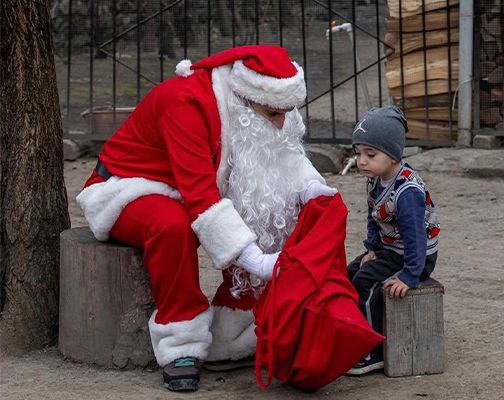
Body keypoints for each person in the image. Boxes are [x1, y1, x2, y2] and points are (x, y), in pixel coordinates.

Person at [76, 45, 336, 392]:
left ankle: (238, 320)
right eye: (274, 113)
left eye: (286, 113)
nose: (280, 123)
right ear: (247, 97)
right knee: (172, 226)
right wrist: (256, 261)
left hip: (190, 183)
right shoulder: (185, 102)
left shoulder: (263, 104)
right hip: (129, 186)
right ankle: (180, 340)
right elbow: (200, 195)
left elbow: (281, 154)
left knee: (263, 204)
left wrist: (310, 188)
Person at [345, 106, 440, 375]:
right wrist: (372, 249)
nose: (361, 161)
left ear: (394, 154)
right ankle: (354, 332)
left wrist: (410, 275)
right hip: (389, 249)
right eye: (358, 153)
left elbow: (416, 238)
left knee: (366, 282)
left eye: (370, 154)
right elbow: (374, 218)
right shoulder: (375, 180)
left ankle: (373, 351)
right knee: (351, 271)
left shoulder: (407, 192)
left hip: (415, 258)